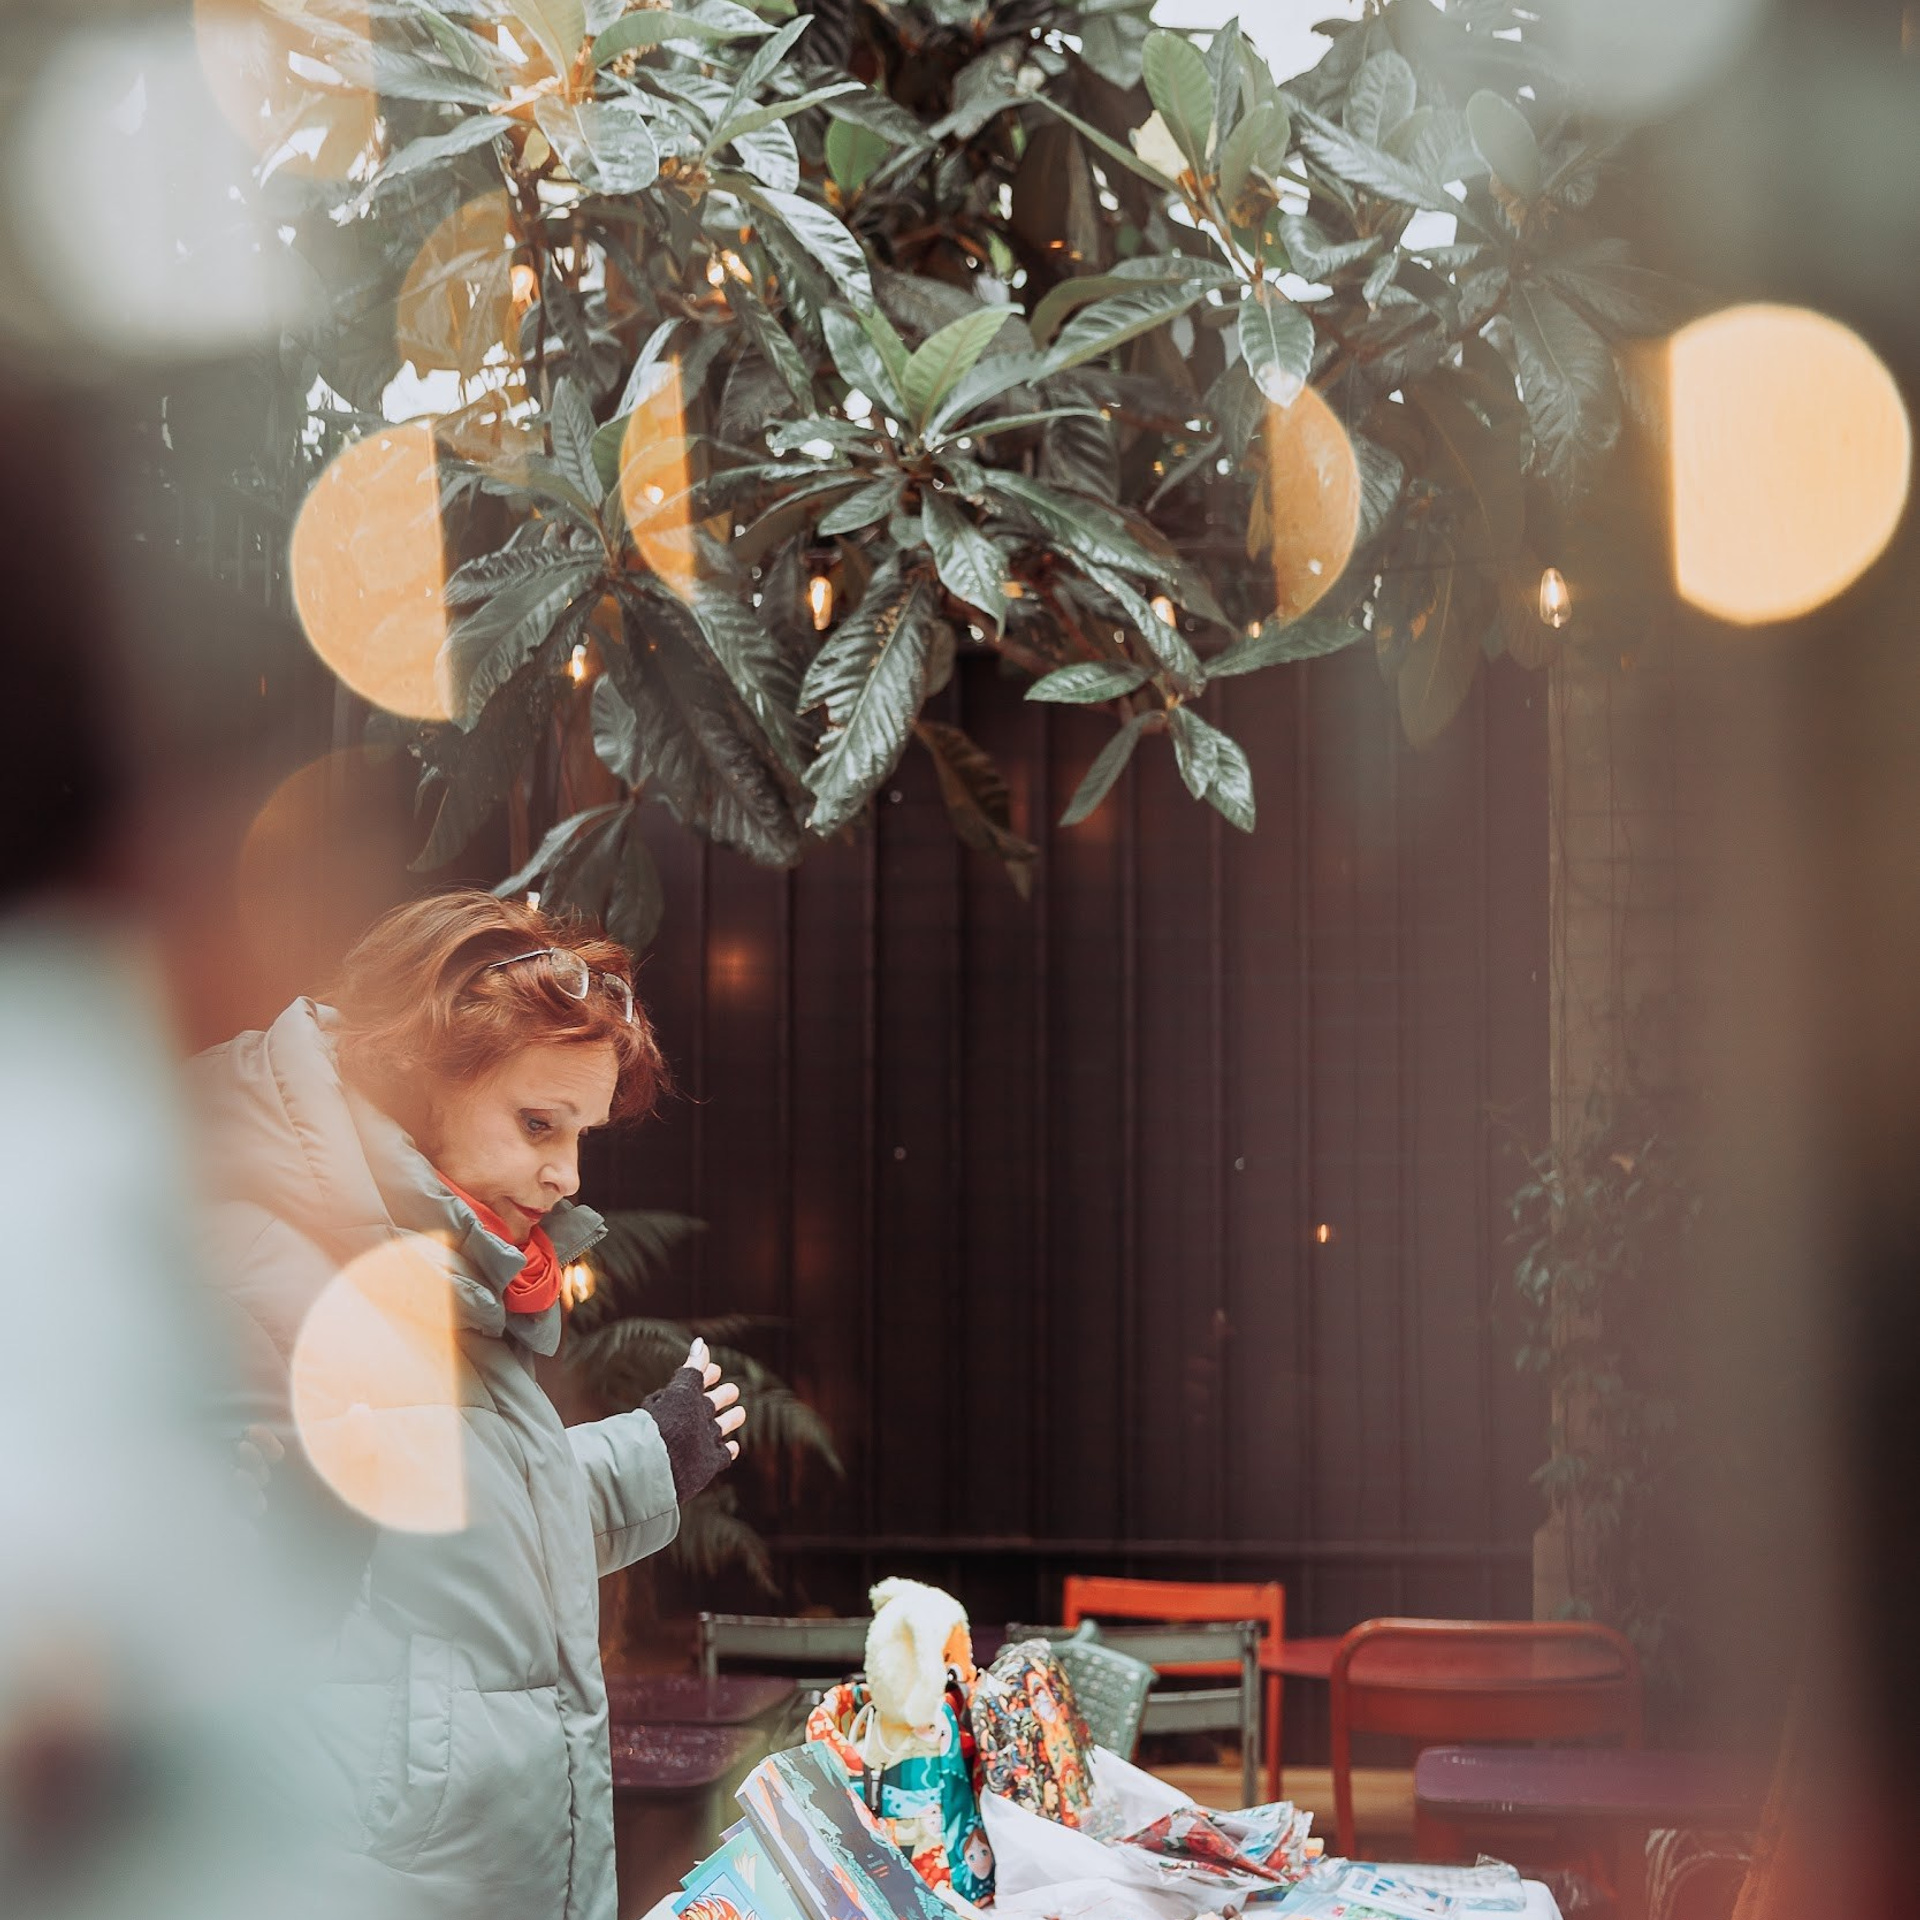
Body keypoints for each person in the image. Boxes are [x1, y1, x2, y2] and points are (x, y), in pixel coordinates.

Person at [189, 889, 744, 1920]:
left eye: (579, 1135)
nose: (565, 1176)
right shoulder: (248, 1249)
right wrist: (284, 1543)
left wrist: (645, 1459)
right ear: (416, 1073)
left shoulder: (434, 1254)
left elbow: (449, 1509)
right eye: (539, 1124)